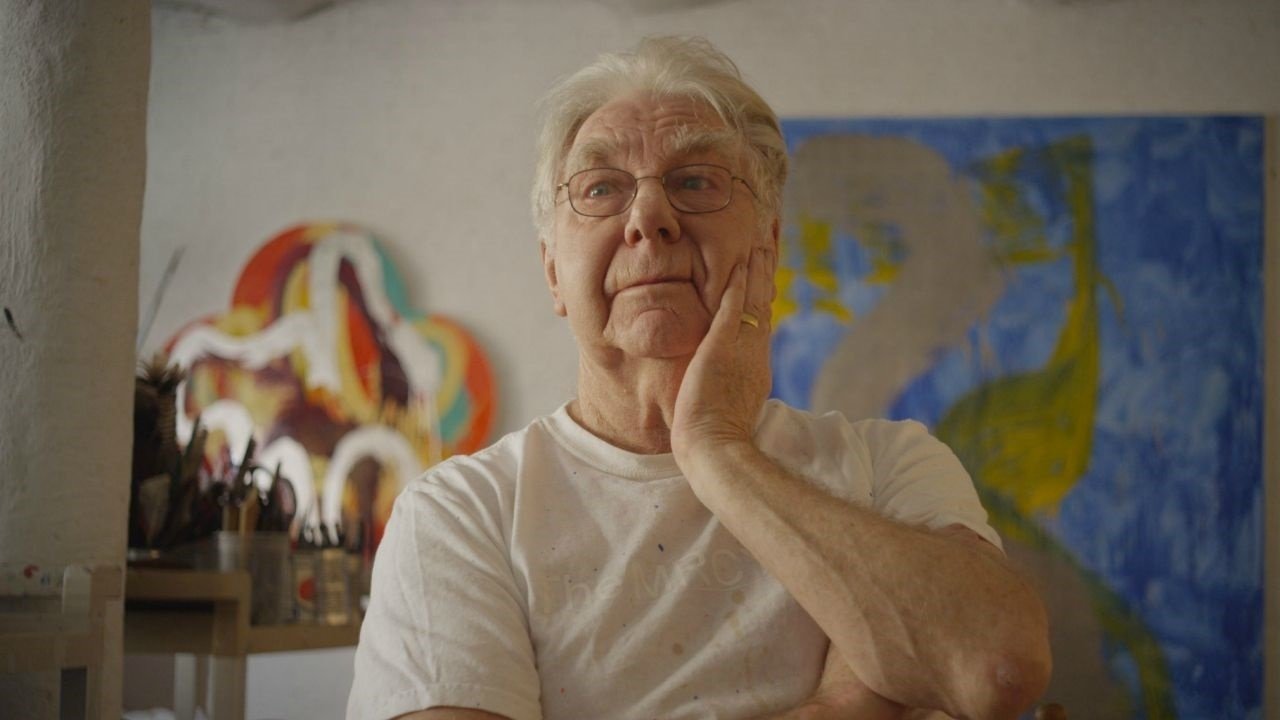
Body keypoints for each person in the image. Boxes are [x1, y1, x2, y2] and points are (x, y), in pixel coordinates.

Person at [347, 36, 1051, 720]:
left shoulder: (889, 464)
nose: (648, 218)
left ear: (768, 245)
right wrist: (843, 705)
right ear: (553, 270)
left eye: (695, 181)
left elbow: (996, 669)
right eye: (601, 188)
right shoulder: (460, 515)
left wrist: (716, 449)